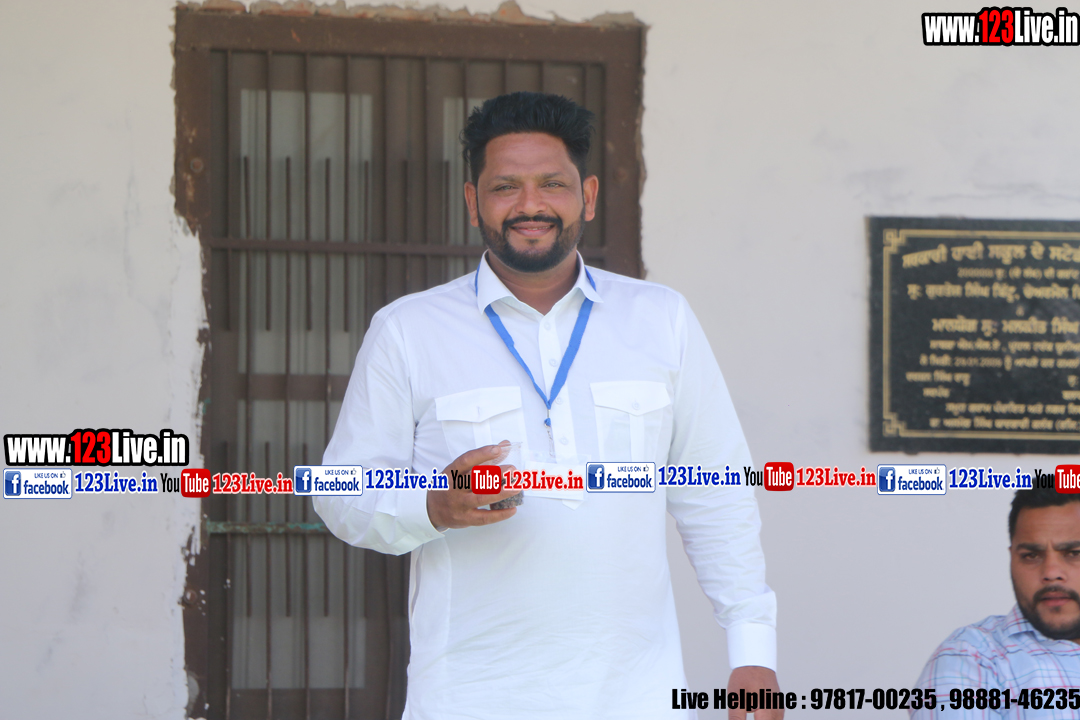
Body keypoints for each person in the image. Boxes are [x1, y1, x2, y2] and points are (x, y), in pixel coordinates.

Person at [315, 92, 779, 719]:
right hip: (469, 699)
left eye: (552, 184)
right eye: (505, 186)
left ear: (588, 195)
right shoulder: (408, 330)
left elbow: (717, 490)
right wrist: (431, 505)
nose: (530, 205)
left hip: (637, 696)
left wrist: (752, 651)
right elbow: (342, 493)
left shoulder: (661, 320)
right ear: (472, 201)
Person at [911, 487, 1080, 719]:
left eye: (1074, 553)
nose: (1051, 572)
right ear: (1012, 558)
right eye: (1031, 555)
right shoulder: (971, 657)